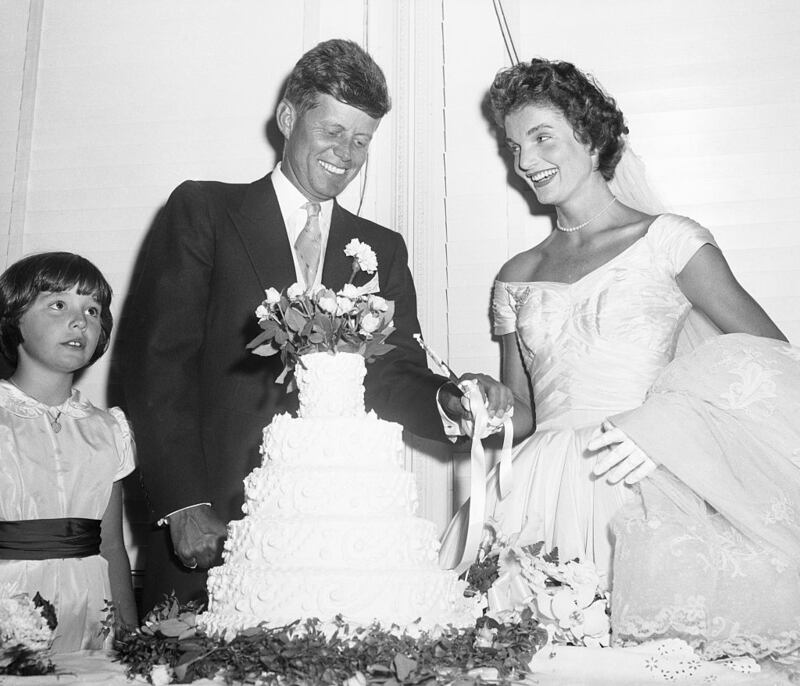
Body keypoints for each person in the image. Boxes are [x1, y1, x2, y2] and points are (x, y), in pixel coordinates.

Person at [120, 38, 511, 614]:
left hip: (337, 545)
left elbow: (393, 374)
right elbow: (158, 364)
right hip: (213, 524)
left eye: (361, 140)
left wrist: (451, 402)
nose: (346, 154)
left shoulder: (382, 249)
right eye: (332, 132)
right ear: (287, 118)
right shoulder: (205, 211)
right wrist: (182, 503)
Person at [439, 58, 800, 665]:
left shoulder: (672, 241)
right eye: (513, 145)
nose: (525, 162)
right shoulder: (515, 276)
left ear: (593, 136)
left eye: (542, 137)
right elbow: (521, 415)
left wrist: (669, 423)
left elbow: (770, 363)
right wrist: (472, 398)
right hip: (534, 494)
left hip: (645, 484)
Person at [0, 252, 137, 652]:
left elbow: (111, 546)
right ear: (14, 317)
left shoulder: (108, 430)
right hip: (11, 605)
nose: (81, 321)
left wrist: (128, 635)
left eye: (92, 310)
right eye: (58, 305)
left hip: (92, 612)